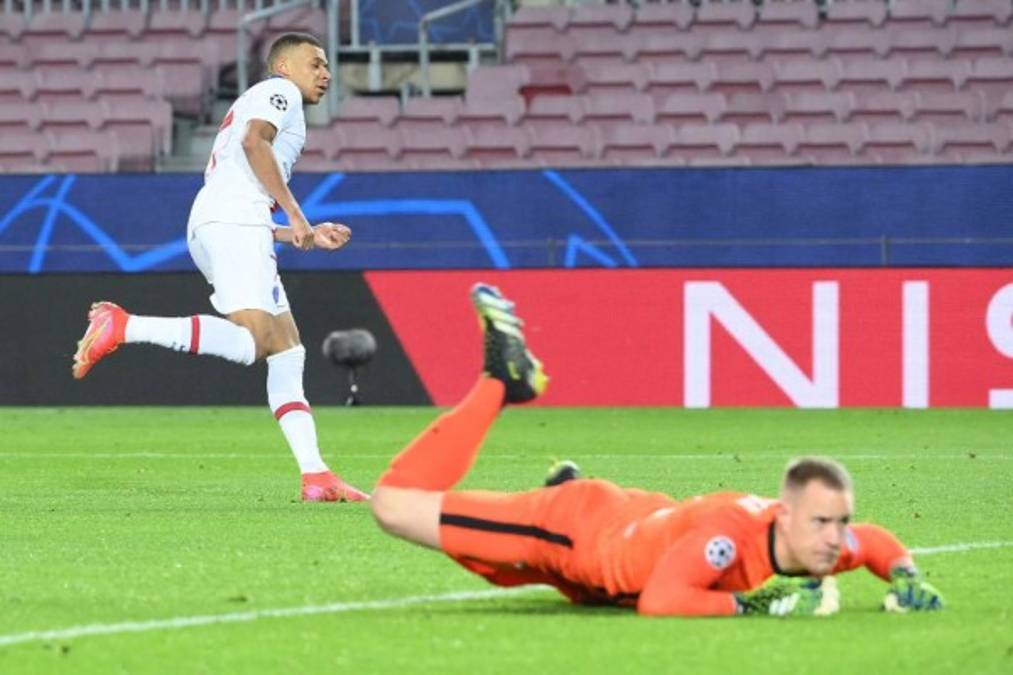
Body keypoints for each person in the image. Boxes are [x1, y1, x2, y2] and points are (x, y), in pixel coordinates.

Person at [368, 283, 945, 617]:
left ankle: (566, 484)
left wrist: (906, 576)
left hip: (618, 534)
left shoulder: (811, 541)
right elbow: (663, 601)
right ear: (786, 514)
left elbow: (873, 541)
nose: (835, 537)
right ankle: (502, 383)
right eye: (823, 522)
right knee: (394, 504)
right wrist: (749, 606)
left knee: (506, 573)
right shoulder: (728, 538)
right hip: (570, 531)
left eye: (838, 522)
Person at [72, 33, 367, 503]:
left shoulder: (266, 102)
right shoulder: (281, 92)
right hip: (232, 222)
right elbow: (254, 142)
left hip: (231, 222)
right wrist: (297, 215)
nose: (326, 74)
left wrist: (300, 233)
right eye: (315, 64)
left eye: (327, 66)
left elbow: (243, 183)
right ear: (284, 67)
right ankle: (124, 326)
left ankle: (316, 476)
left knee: (287, 349)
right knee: (254, 344)